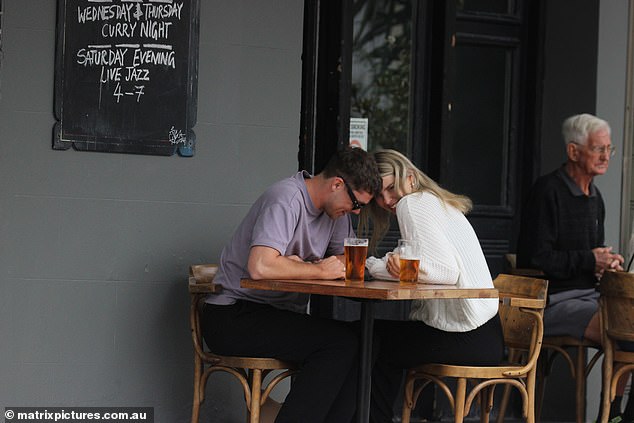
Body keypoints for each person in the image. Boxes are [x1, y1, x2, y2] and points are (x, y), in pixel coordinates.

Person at [200, 146, 382, 423]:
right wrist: (316, 270)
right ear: (337, 184)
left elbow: (343, 262)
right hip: (233, 314)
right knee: (338, 344)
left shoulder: (335, 216)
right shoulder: (286, 198)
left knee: (366, 340)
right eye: (357, 204)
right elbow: (260, 266)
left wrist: (302, 266)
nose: (356, 213)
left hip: (276, 314)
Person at [357, 149, 504, 423]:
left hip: (465, 336)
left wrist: (373, 266)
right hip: (485, 335)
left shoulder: (412, 204)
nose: (387, 200)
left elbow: (443, 272)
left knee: (368, 339)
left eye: (390, 188)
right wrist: (390, 266)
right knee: (375, 338)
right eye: (378, 194)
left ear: (410, 179)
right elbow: (417, 269)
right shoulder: (435, 202)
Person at [517, 113, 629, 422]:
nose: (605, 156)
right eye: (598, 149)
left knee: (629, 326)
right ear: (573, 151)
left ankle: (617, 413)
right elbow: (535, 259)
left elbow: (590, 258)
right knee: (625, 333)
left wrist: (605, 265)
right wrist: (590, 259)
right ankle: (616, 415)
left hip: (590, 298)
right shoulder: (548, 191)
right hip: (552, 303)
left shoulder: (596, 197)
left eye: (609, 149)